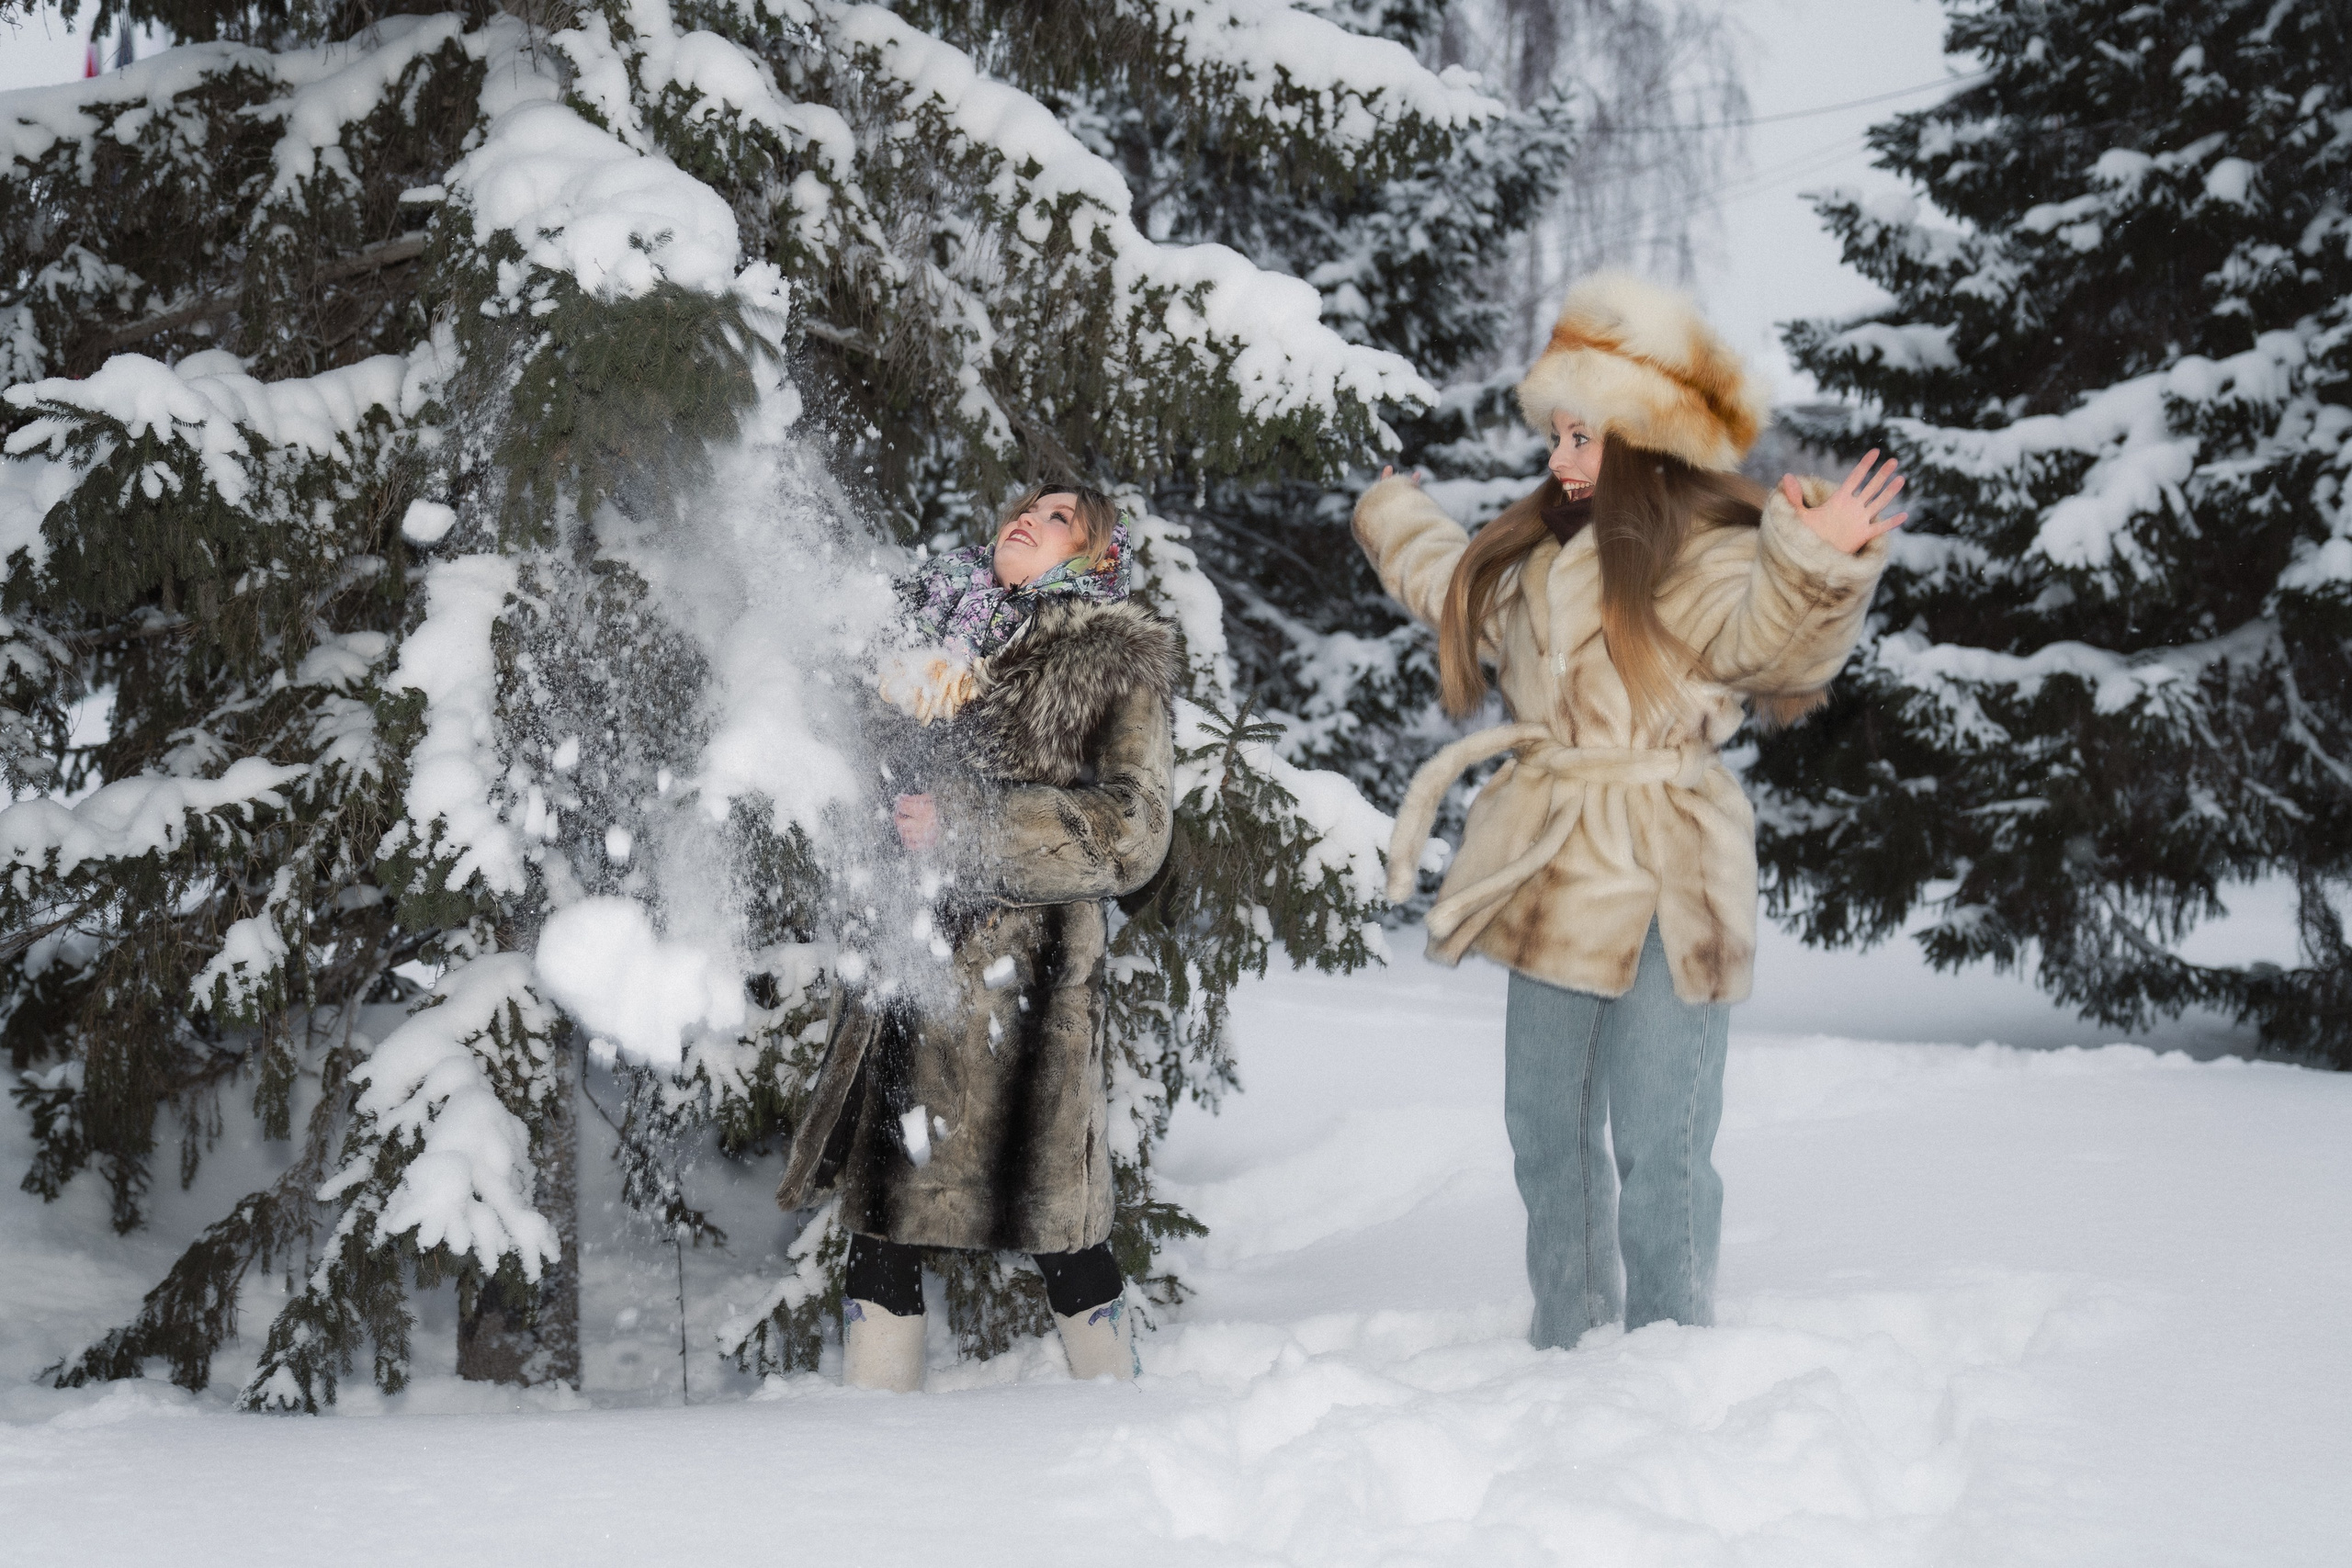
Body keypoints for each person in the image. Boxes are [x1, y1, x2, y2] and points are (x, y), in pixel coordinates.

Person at [1354, 274, 1905, 1349]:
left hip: (1663, 864)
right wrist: (1391, 506)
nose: (1558, 459)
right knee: (1541, 1131)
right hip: (1554, 864)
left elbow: (1772, 641)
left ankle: (1666, 1350)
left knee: (1660, 1133)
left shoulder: (1702, 562)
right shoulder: (1528, 558)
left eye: (1583, 437)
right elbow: (1443, 578)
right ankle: (1566, 1334)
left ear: (1649, 445)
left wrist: (1817, 554)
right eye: (1556, 435)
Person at [775, 481, 1178, 1392]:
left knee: (1065, 1245)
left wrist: (972, 828)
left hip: (1023, 1003)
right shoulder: (927, 637)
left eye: (1061, 517)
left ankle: (1125, 1427)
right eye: (1029, 505)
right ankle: (876, 1467)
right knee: (881, 1238)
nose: (1030, 516)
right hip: (909, 985)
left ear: (1093, 557)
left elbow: (1135, 830)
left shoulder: (1115, 663)